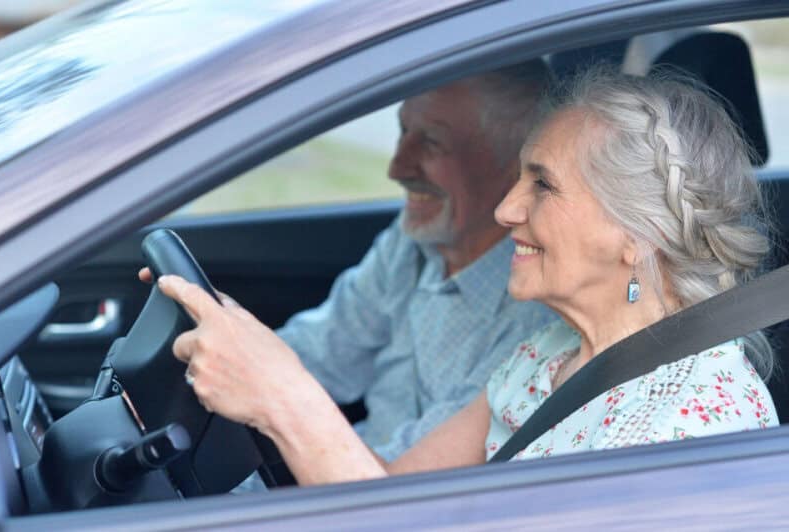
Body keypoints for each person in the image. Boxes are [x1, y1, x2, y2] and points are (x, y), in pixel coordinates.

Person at [156, 68, 777, 486]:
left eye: (543, 185)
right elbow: (393, 498)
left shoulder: (686, 432)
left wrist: (282, 397)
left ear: (635, 236)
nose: (507, 210)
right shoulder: (551, 353)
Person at [143, 61, 558, 462]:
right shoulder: (413, 240)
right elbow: (325, 353)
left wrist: (272, 392)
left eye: (432, 143)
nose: (397, 167)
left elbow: (400, 490)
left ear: (514, 170)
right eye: (403, 131)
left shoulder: (538, 314)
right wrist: (213, 347)